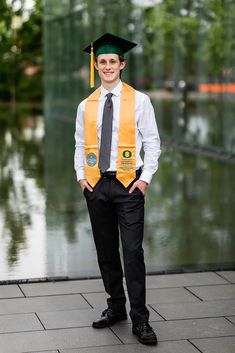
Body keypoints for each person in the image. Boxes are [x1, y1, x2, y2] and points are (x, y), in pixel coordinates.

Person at [74, 33, 161, 345]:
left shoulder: (140, 101)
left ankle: (141, 320)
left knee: (133, 252)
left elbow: (152, 143)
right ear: (96, 66)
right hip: (97, 184)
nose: (107, 66)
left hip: (128, 185)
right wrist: (81, 177)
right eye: (102, 62)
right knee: (106, 251)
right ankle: (116, 308)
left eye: (113, 61)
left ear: (122, 64)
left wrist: (145, 178)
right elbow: (80, 144)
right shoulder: (86, 105)